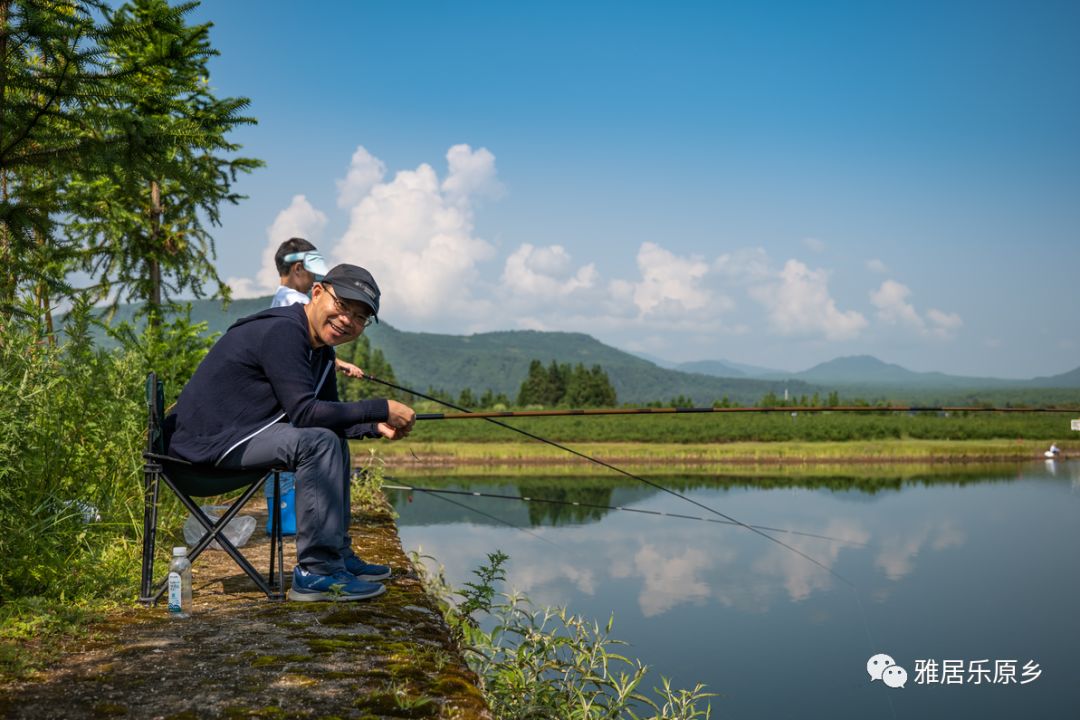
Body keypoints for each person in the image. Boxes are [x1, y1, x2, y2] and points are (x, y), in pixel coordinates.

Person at [167, 264, 416, 602]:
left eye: (360, 317)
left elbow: (326, 412)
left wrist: (374, 426)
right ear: (317, 293)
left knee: (332, 439)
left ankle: (336, 555)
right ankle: (317, 572)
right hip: (201, 453)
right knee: (319, 441)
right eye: (343, 306)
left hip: (238, 438)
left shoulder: (321, 351)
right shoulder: (284, 331)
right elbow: (305, 413)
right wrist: (382, 406)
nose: (348, 321)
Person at [265, 239, 362, 535]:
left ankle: (284, 520)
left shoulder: (277, 301)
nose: (316, 279)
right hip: (289, 414)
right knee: (319, 442)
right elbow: (302, 350)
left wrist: (335, 361)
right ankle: (307, 529)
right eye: (314, 271)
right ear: (298, 269)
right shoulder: (295, 305)